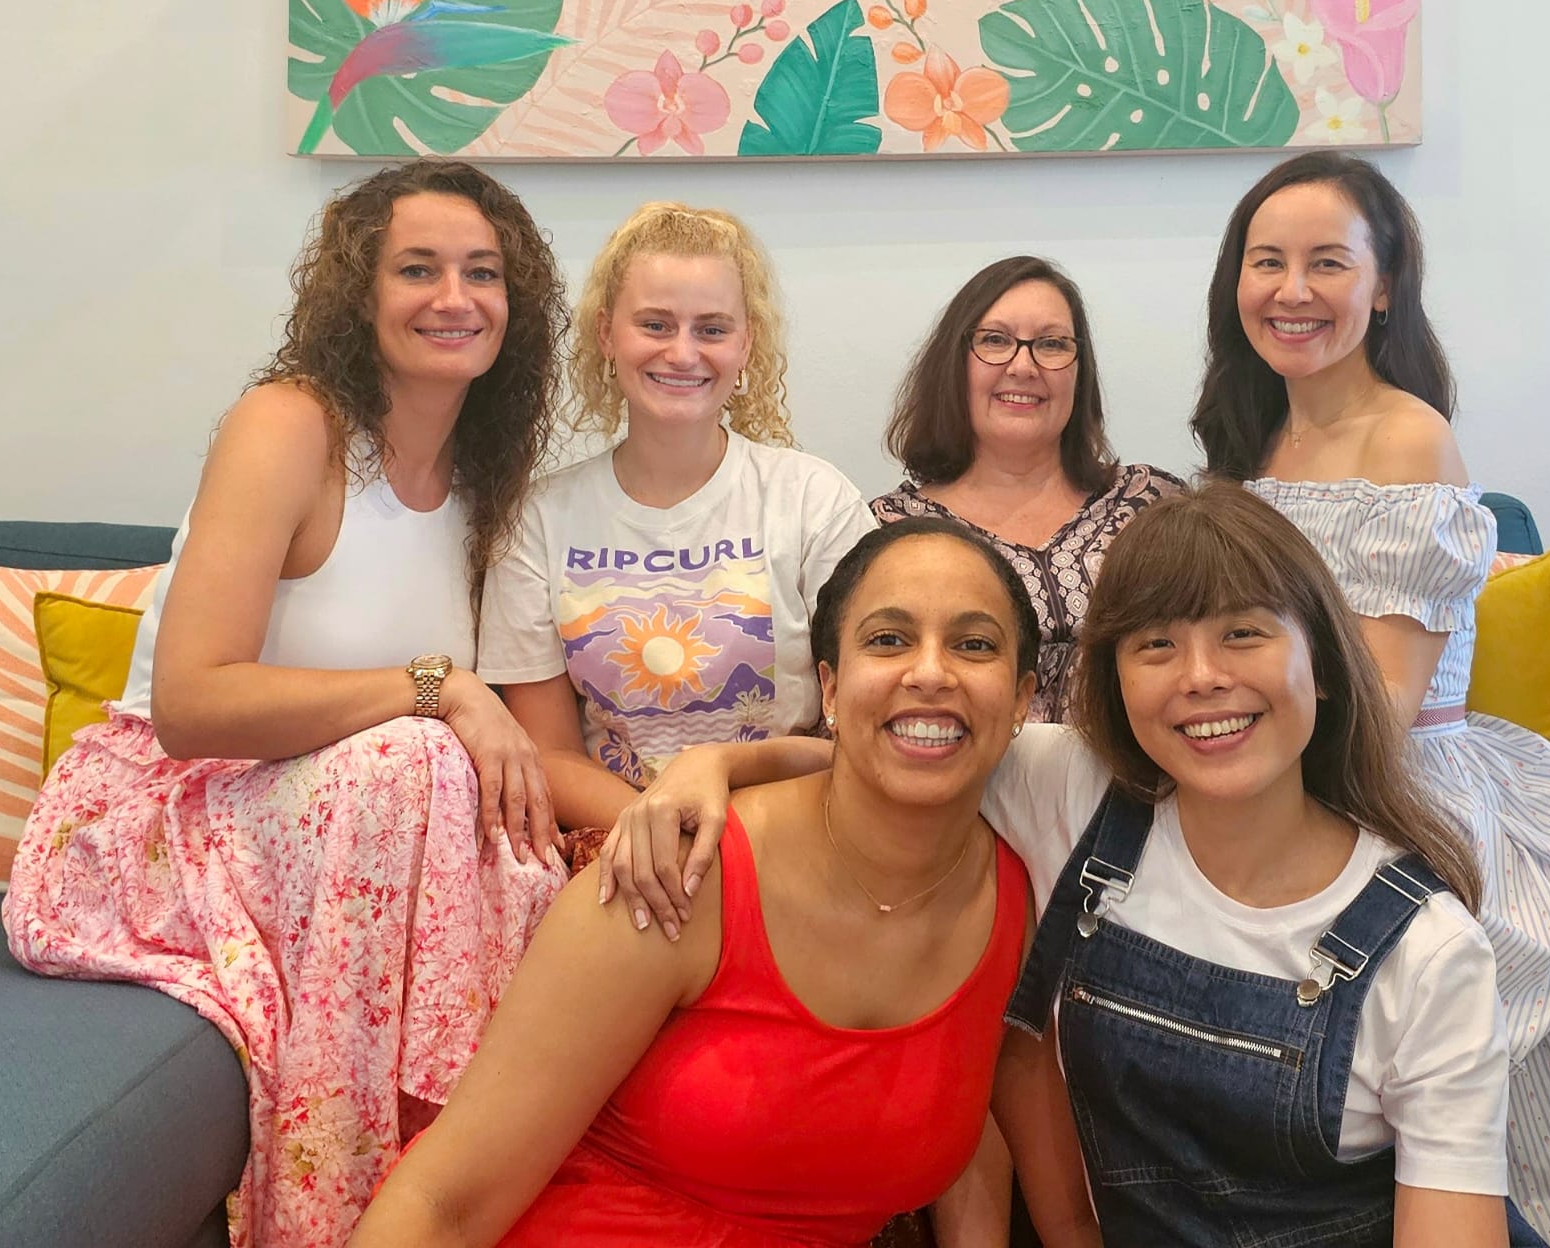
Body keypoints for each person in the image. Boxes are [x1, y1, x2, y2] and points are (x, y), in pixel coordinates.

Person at [601, 486, 1538, 1247]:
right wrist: (713, 765)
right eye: (1156, 644)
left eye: (1244, 633)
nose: (1201, 676)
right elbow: (904, 749)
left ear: (1323, 665)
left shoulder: (1429, 953)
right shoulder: (1074, 789)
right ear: (1112, 682)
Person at [2, 161, 569, 1248]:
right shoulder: (289, 424)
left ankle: (468, 1180)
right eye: (418, 268)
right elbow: (190, 703)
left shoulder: (488, 478)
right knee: (412, 758)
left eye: (484, 272)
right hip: (154, 822)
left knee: (515, 832)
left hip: (343, 837)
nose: (455, 296)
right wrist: (438, 688)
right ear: (359, 290)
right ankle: (331, 1210)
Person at [1191, 149, 1550, 1247]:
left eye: (1327, 262)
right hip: (1275, 764)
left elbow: (1384, 702)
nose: (1291, 289)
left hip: (1388, 781)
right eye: (1266, 261)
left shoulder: (1408, 434)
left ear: (1384, 285)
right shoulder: (1249, 443)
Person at [349, 519, 1074, 1248]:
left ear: (1022, 700)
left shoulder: (1019, 907)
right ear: (830, 686)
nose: (931, 673)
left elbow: (1041, 1199)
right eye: (888, 640)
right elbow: (443, 1204)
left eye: (974, 645)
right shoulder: (679, 872)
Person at [477, 201, 875, 863]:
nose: (683, 352)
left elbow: (865, 724)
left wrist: (727, 813)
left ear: (747, 343)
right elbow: (548, 752)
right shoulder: (537, 520)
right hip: (621, 850)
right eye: (655, 324)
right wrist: (662, 828)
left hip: (792, 834)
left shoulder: (814, 501)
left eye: (711, 328)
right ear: (607, 334)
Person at [871, 254, 1184, 722]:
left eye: (1052, 344)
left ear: (1080, 371)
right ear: (954, 364)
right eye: (995, 341)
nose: (1023, 365)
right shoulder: (887, 531)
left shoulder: (1152, 504)